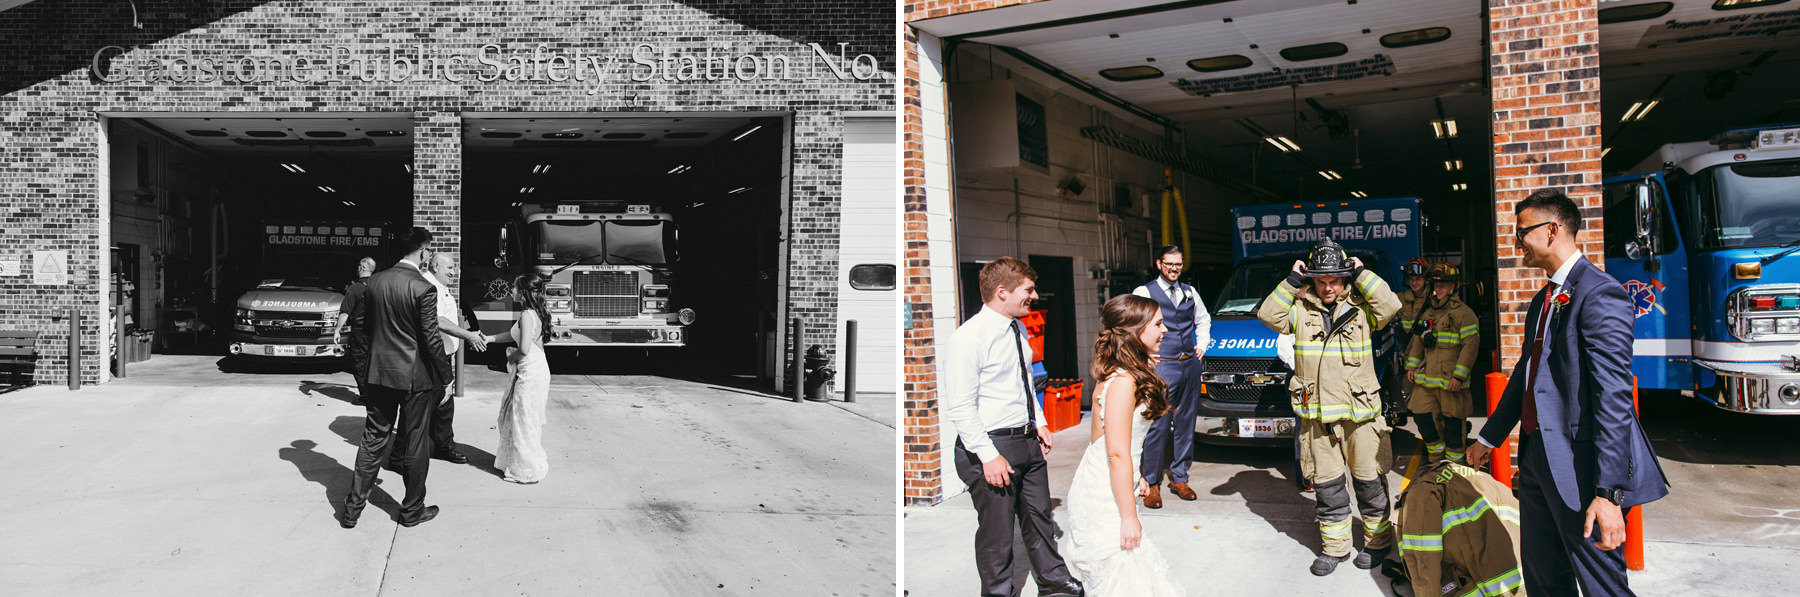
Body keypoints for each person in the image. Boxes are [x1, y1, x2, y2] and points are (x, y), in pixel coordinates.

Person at [1466, 189, 1669, 597]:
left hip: (1582, 468)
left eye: (1521, 232)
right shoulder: (1544, 298)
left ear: (1553, 229)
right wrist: (1491, 436)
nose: (1516, 242)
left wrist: (1608, 494)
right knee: (1543, 575)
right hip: (1538, 457)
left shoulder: (1600, 294)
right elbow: (1527, 373)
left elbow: (1613, 399)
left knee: (1600, 585)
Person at [1256, 237, 1400, 576]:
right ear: (1312, 280)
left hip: (1359, 417)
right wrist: (1292, 281)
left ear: (1345, 279)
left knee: (1369, 482)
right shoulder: (1299, 310)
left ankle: (1378, 542)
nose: (1327, 287)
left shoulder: (1363, 310)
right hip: (1317, 417)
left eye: (1334, 280)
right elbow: (1267, 314)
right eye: (1320, 281)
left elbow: (1391, 305)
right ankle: (1335, 548)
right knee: (1327, 486)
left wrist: (1362, 272)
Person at [944, 257, 1084, 597]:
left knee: (1039, 518)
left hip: (1026, 441)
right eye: (1029, 290)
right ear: (1002, 292)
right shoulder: (969, 337)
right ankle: (997, 593)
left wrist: (1040, 422)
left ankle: (1053, 583)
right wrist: (988, 457)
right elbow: (960, 405)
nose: (1034, 296)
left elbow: (1023, 383)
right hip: (991, 447)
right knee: (997, 533)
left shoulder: (1017, 327)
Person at [1061, 294, 1184, 596]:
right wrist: (1128, 517)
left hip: (1107, 480)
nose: (1165, 329)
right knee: (1123, 575)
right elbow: (1114, 453)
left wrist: (1135, 477)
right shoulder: (1123, 382)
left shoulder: (1118, 375)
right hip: (1102, 494)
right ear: (1135, 331)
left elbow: (1102, 441)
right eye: (1158, 324)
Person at [340, 227, 453, 529]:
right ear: (421, 251)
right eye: (429, 250)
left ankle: (352, 510)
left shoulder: (374, 282)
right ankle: (411, 510)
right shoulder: (422, 287)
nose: (430, 254)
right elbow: (431, 339)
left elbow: (365, 326)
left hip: (378, 372)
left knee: (373, 438)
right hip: (414, 377)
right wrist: (447, 375)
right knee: (415, 441)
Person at [1129, 245, 1210, 509]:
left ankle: (1180, 478)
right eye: (1169, 264)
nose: (1174, 268)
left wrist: (1203, 344)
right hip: (1162, 367)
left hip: (1189, 365)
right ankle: (1151, 483)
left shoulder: (1190, 292)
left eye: (1178, 264)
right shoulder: (1144, 292)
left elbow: (1204, 319)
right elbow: (1134, 327)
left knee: (1186, 425)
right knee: (1158, 426)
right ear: (1159, 264)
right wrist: (1145, 357)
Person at [1404, 263, 1480, 463]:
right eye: (1436, 284)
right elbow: (1420, 341)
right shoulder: (1429, 311)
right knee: (1422, 416)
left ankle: (1454, 468)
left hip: (1451, 383)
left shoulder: (1465, 314)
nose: (1438, 288)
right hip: (1427, 381)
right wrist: (1411, 366)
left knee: (1453, 427)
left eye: (1443, 284)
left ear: (1454, 286)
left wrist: (1459, 376)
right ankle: (1436, 460)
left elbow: (1470, 348)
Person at [480, 274, 552, 484]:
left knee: (522, 416)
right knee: (521, 415)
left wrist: (510, 357)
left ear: (523, 292)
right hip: (536, 366)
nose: (511, 290)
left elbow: (523, 348)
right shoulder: (534, 313)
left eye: (514, 287)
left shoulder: (527, 315)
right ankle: (518, 461)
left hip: (530, 371)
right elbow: (516, 335)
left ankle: (525, 469)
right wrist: (490, 338)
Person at [421, 251, 488, 465]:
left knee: (443, 404)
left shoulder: (440, 287)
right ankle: (407, 451)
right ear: (435, 266)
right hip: (433, 355)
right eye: (449, 268)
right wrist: (468, 335)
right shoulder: (429, 286)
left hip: (443, 353)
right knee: (428, 405)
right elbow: (437, 319)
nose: (454, 272)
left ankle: (441, 446)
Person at [334, 256, 377, 399]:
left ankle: (365, 396)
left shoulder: (355, 288)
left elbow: (345, 312)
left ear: (362, 268)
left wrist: (337, 330)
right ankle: (377, 394)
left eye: (359, 266)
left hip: (360, 331)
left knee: (360, 362)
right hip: (379, 330)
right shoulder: (379, 285)